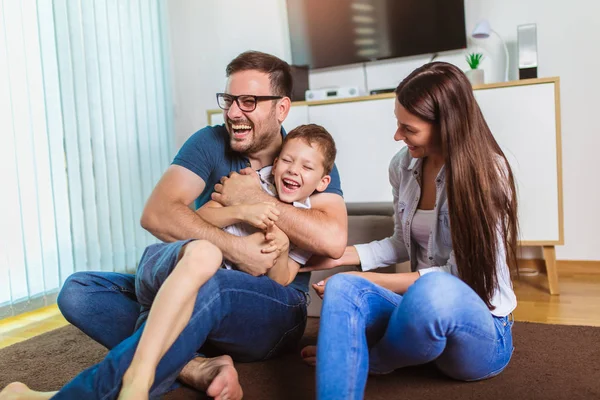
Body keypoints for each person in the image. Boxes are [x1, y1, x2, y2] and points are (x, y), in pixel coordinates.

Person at [0, 51, 347, 400]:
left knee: (216, 286)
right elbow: (157, 214)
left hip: (274, 312)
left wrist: (258, 199)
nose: (233, 112)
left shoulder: (302, 155)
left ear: (281, 108)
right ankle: (194, 365)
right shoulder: (210, 141)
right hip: (202, 280)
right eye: (229, 100)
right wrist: (236, 248)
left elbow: (332, 239)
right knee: (80, 290)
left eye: (248, 101)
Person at [300, 62, 518, 400]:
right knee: (344, 285)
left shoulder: (489, 174)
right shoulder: (402, 165)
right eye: (397, 123)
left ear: (446, 126)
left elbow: (459, 277)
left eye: (408, 128)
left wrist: (371, 280)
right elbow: (401, 243)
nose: (397, 136)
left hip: (479, 335)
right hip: (419, 321)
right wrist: (340, 257)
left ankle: (375, 359)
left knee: (435, 291)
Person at [119, 124, 337, 399]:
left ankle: (139, 370)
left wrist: (282, 245)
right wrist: (241, 212)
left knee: (167, 306)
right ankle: (188, 361)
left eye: (307, 167)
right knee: (81, 290)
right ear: (275, 162)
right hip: (193, 272)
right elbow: (198, 220)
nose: (294, 170)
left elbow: (280, 280)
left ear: (322, 183)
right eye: (287, 160)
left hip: (229, 295)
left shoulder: (304, 222)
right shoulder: (247, 183)